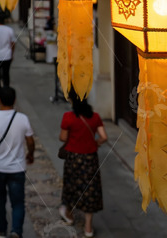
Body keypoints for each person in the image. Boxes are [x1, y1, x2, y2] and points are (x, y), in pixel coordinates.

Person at [0, 87, 35, 238]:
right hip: (17, 168)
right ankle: (16, 230)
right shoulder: (23, 119)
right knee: (17, 202)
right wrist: (31, 154)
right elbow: (30, 141)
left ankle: (1, 229)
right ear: (15, 100)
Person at [58, 90, 108, 238]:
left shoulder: (68, 117)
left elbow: (62, 137)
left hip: (73, 159)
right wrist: (96, 143)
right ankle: (88, 228)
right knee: (90, 191)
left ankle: (69, 214)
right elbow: (104, 136)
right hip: (90, 159)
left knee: (71, 186)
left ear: (72, 101)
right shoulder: (95, 117)